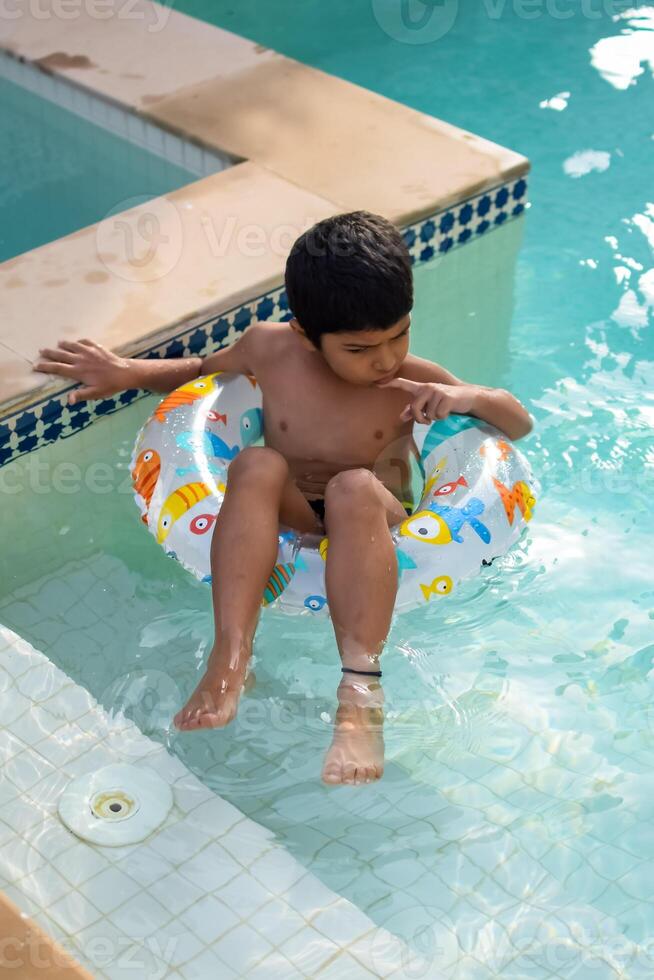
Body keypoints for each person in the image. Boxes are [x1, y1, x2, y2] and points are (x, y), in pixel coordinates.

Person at [34, 211, 532, 785]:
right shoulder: (269, 350)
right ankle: (230, 657)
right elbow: (200, 370)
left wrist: (467, 394)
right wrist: (125, 372)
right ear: (304, 332)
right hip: (293, 516)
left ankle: (360, 694)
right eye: (360, 348)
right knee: (257, 463)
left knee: (352, 486)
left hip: (376, 525)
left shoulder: (415, 381)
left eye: (400, 334)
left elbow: (516, 424)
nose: (387, 359)